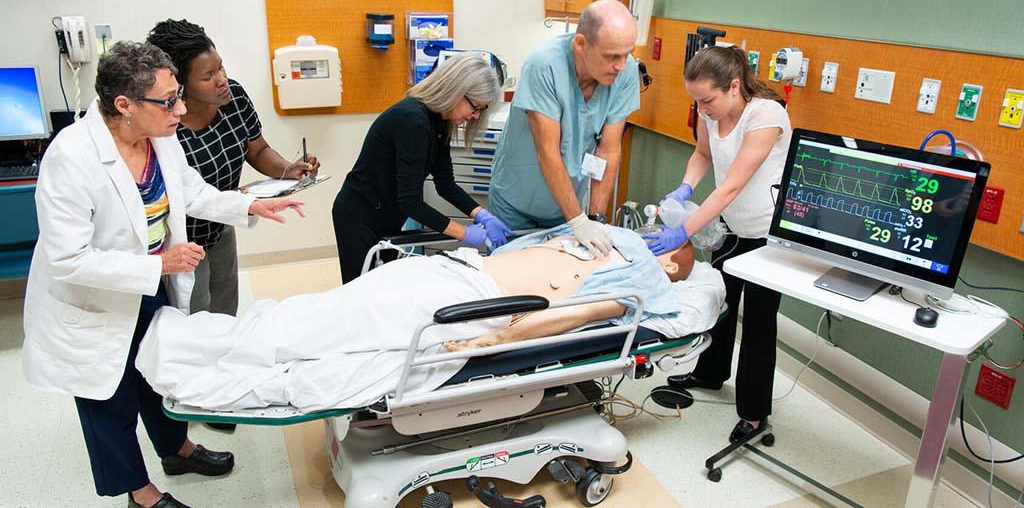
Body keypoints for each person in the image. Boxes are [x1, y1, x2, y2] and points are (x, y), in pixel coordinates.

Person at [21, 41, 305, 508]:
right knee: (109, 399)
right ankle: (141, 493)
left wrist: (251, 203)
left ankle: (177, 449)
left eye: (178, 96)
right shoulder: (71, 158)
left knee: (159, 371)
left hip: (147, 287)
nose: (181, 109)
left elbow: (190, 191)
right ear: (125, 105)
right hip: (93, 300)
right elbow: (68, 259)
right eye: (169, 100)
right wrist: (160, 264)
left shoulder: (160, 137)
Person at [136, 224, 695, 413]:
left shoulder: (636, 282)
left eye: (666, 253)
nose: (652, 245)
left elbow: (573, 317)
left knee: (327, 331)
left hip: (466, 305)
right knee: (325, 313)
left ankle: (198, 348)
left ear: (669, 264)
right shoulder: (605, 237)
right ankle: (206, 341)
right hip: (452, 272)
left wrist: (494, 339)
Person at [645, 45, 791, 444]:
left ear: (734, 85)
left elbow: (731, 185)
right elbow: (703, 153)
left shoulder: (766, 116)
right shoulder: (710, 112)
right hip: (731, 224)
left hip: (767, 234)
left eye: (707, 100)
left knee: (759, 321)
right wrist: (685, 186)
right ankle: (710, 373)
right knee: (721, 299)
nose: (702, 109)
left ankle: (755, 415)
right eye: (697, 101)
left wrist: (684, 231)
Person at [147, 19, 321, 317]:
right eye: (208, 76)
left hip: (222, 225)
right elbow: (185, 194)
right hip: (184, 239)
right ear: (180, 86)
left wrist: (288, 169)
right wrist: (243, 201)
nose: (222, 80)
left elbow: (258, 149)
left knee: (226, 310)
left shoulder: (234, 99)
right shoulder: (166, 129)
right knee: (195, 316)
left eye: (221, 68)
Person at [332, 53, 514, 283]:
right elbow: (410, 202)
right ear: (457, 90)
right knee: (359, 291)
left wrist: (482, 214)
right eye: (475, 107)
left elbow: (445, 184)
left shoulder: (439, 121)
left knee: (382, 287)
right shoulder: (413, 120)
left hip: (387, 214)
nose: (475, 116)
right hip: (359, 214)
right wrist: (464, 233)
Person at [488, 0, 640, 258]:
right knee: (512, 285)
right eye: (612, 56)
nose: (621, 65)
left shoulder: (625, 73)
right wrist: (579, 222)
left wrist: (595, 218)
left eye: (627, 54)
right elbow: (548, 152)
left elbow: (609, 151)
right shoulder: (544, 65)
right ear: (581, 44)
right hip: (516, 205)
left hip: (565, 210)